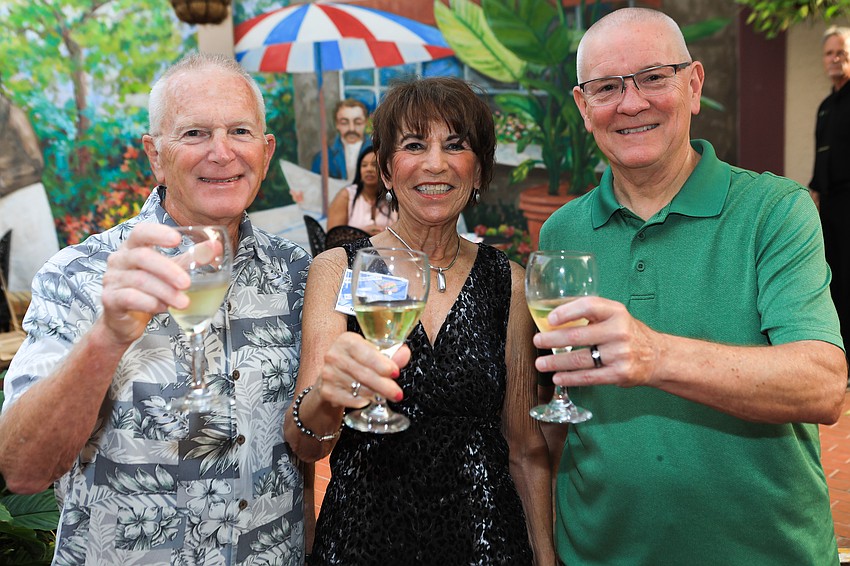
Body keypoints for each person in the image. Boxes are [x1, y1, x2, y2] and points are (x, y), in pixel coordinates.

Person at [534, 8, 847, 565]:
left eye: (654, 77)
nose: (632, 103)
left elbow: (822, 387)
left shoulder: (775, 211)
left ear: (694, 85)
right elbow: (561, 409)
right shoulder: (563, 231)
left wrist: (656, 356)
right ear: (583, 107)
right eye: (607, 87)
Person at [0, 53, 310, 564]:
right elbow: (24, 470)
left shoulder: (297, 275)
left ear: (266, 150)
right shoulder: (78, 275)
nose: (222, 152)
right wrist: (107, 336)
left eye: (240, 131)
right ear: (155, 155)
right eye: (194, 134)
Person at [285, 76, 554, 564]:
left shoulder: (508, 282)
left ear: (479, 171)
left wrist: (546, 557)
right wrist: (327, 394)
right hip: (364, 542)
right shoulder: (341, 268)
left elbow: (524, 447)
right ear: (387, 170)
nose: (435, 163)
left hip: (487, 543)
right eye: (414, 145)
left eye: (455, 145)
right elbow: (305, 444)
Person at [811, 25, 850, 352]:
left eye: (841, 52)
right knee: (833, 277)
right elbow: (820, 155)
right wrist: (814, 194)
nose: (835, 59)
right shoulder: (825, 105)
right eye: (829, 53)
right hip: (829, 205)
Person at [326, 147, 397, 235]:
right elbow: (333, 237)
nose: (368, 169)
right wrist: (360, 234)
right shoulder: (346, 195)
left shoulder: (394, 196)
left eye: (374, 165)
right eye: (364, 165)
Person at [311, 98, 371, 182]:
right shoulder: (323, 157)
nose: (351, 128)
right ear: (337, 124)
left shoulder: (377, 152)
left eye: (357, 122)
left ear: (365, 123)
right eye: (344, 123)